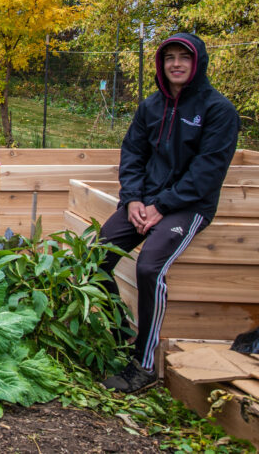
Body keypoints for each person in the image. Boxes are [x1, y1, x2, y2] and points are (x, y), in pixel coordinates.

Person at [99, 34, 238, 392]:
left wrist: (163, 206)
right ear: (161, 64)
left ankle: (144, 365)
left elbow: (208, 172)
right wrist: (132, 199)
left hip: (189, 206)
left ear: (197, 63)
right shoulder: (151, 106)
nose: (176, 64)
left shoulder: (218, 110)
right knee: (94, 256)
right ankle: (119, 333)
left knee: (149, 267)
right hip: (144, 201)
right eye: (169, 58)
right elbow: (133, 154)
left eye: (184, 58)